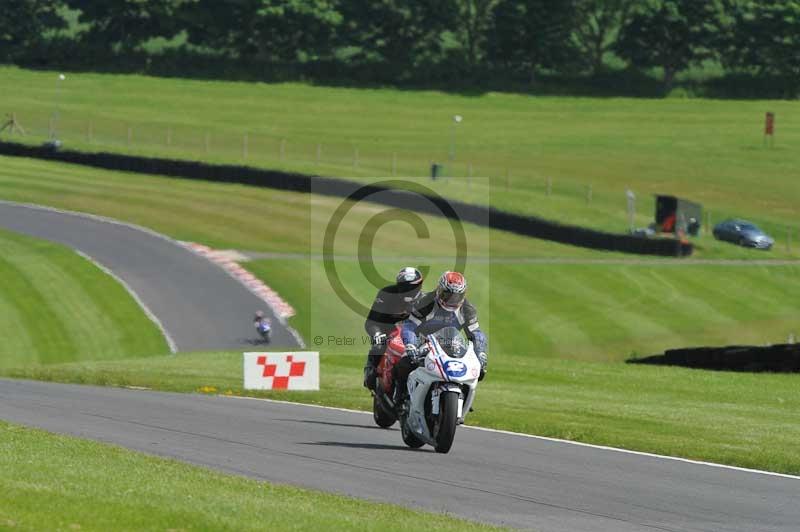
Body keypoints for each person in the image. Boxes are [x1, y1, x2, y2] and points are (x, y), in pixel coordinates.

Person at [394, 271, 488, 405]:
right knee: (404, 363)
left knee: (479, 371)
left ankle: (462, 399)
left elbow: (476, 333)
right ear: (439, 290)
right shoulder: (425, 302)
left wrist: (481, 353)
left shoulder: (467, 308)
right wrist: (411, 345)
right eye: (447, 294)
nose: (451, 300)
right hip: (423, 341)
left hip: (451, 343)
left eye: (456, 296)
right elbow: (409, 326)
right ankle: (400, 396)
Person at [363, 267, 424, 390]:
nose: (407, 291)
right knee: (379, 345)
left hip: (411, 336)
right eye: (403, 286)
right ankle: (371, 369)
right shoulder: (386, 294)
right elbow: (371, 321)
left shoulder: (424, 300)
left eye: (411, 287)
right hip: (387, 331)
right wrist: (377, 334)